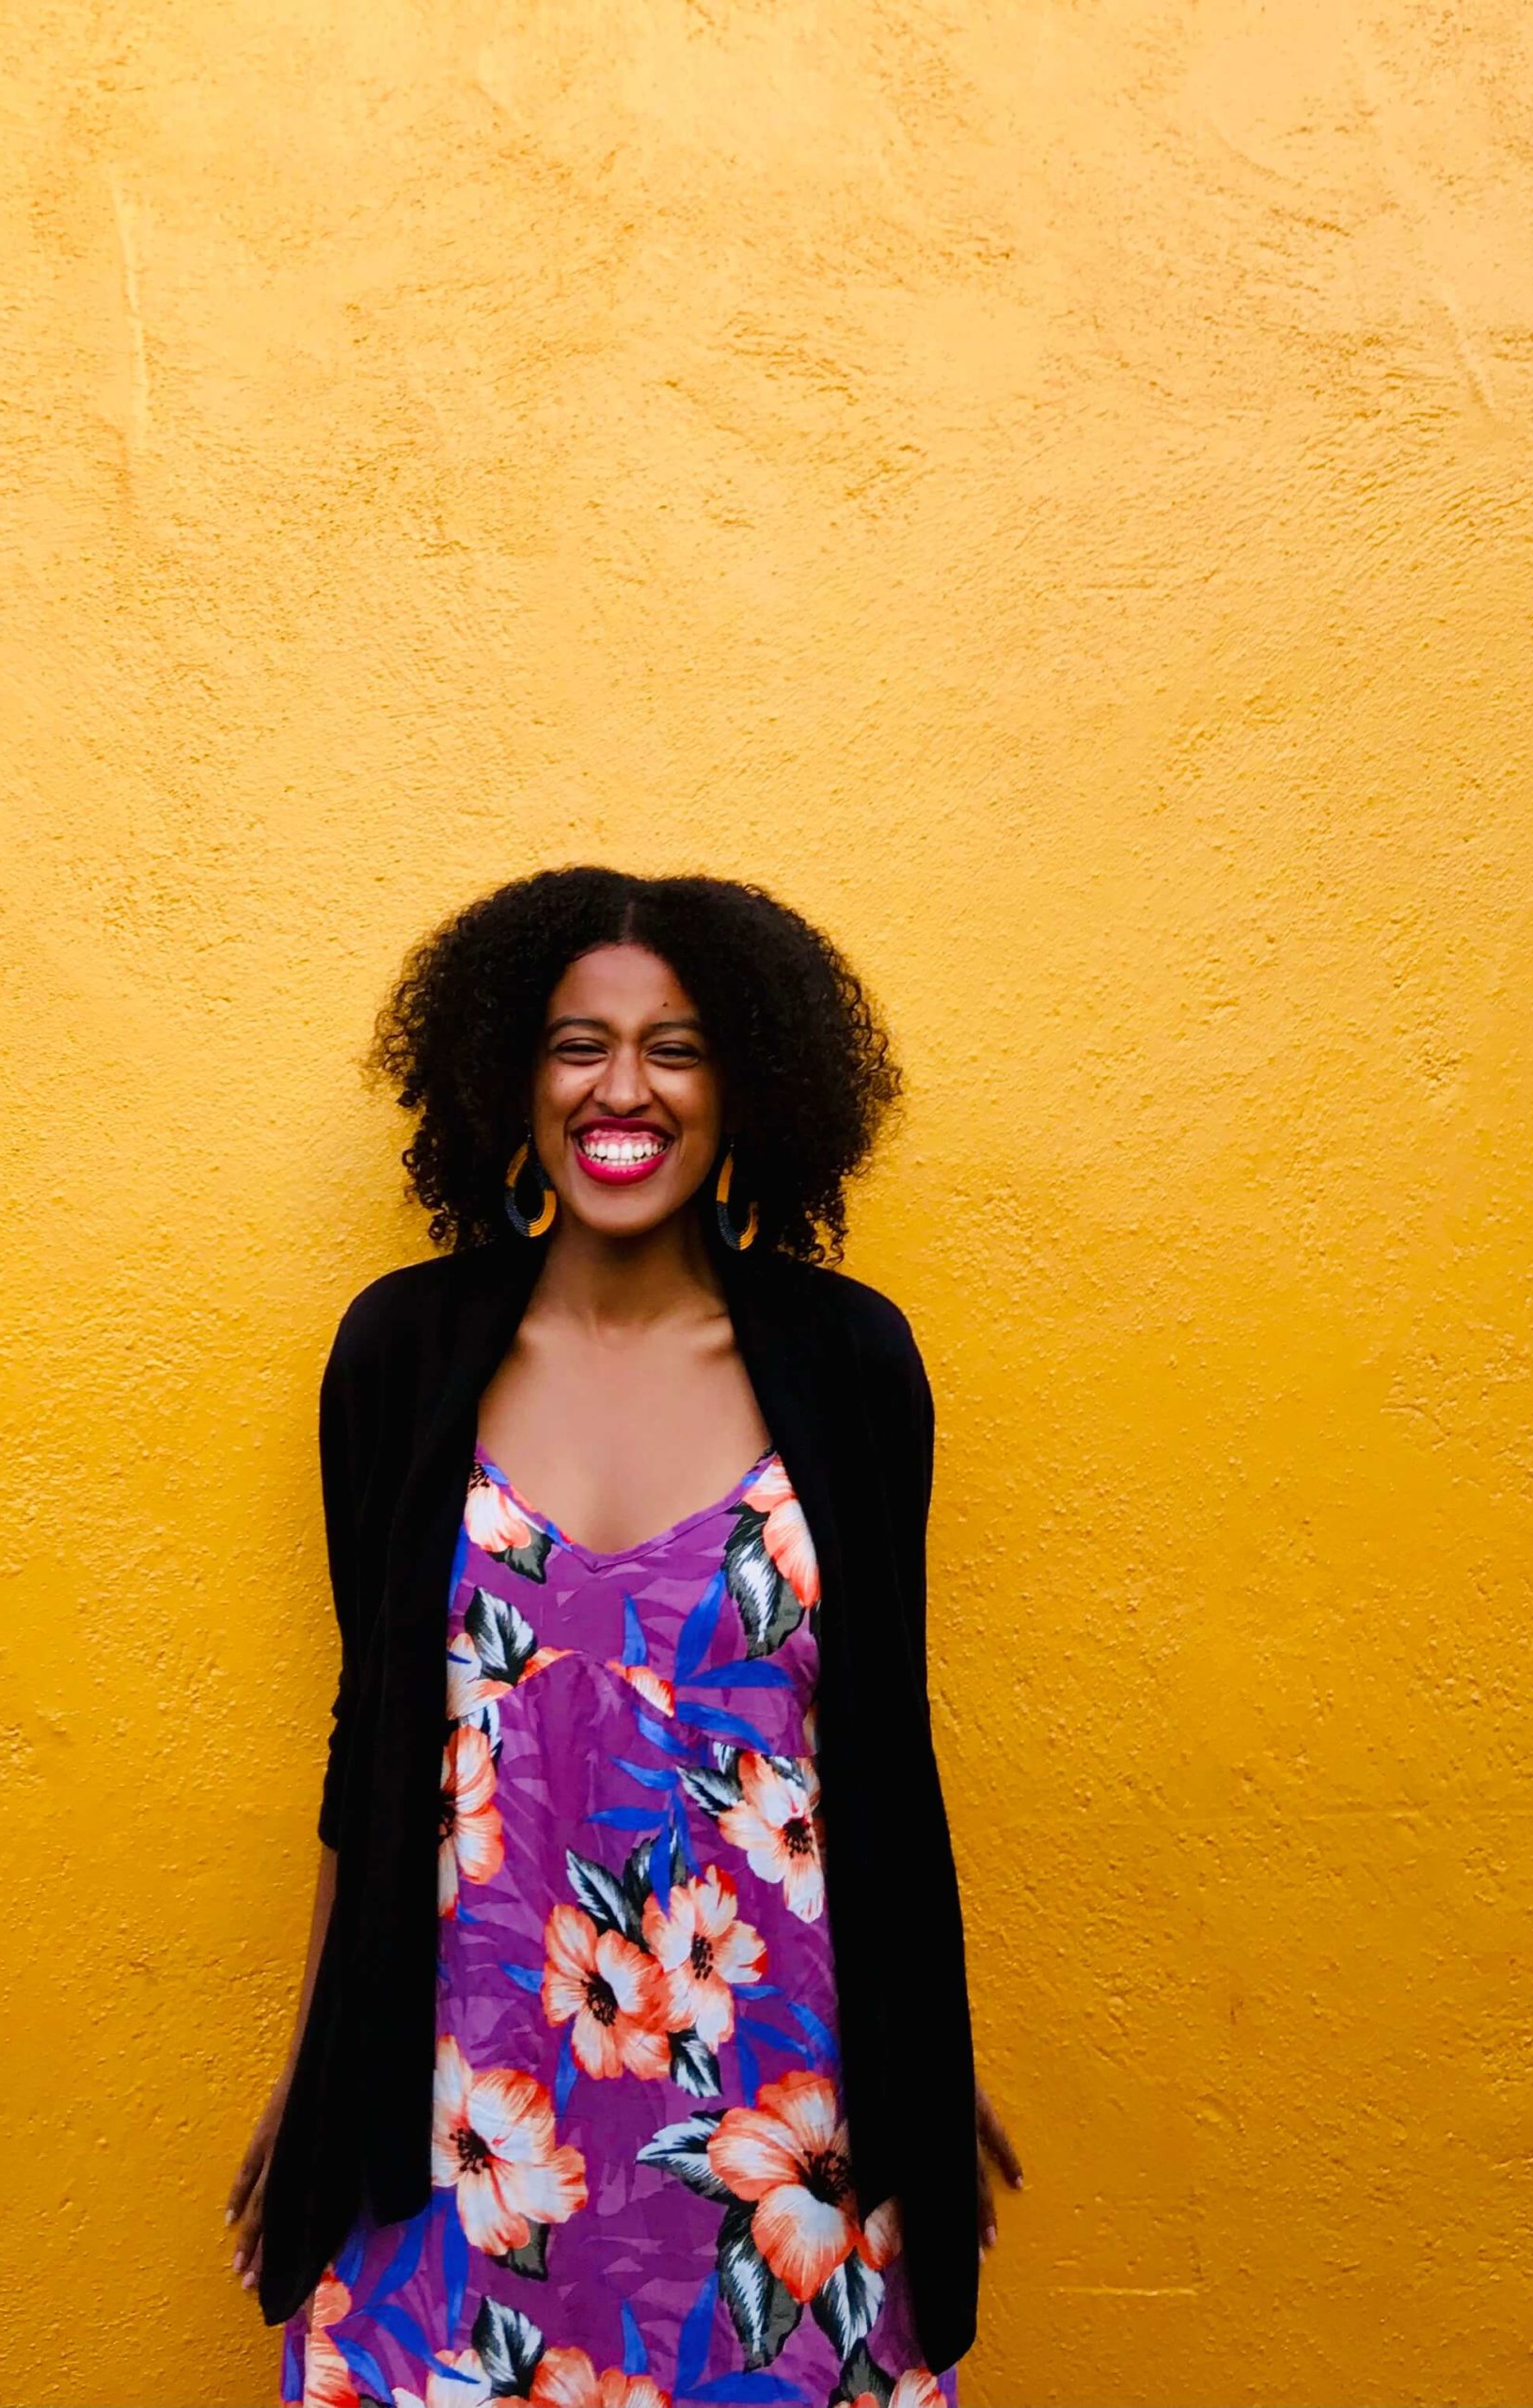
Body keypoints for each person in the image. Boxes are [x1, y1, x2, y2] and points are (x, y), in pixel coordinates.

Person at [225, 868, 1020, 2407]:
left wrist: (922, 2054)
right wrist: (317, 2063)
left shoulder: (850, 1362)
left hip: (780, 2123)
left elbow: (879, 1748)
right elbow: (368, 1746)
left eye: (677, 1048)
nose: (622, 1089)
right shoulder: (399, 1354)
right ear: (509, 1079)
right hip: (464, 2118)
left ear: (749, 1084)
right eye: (576, 1044)